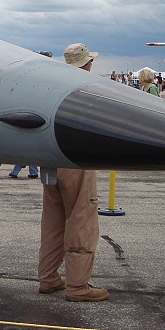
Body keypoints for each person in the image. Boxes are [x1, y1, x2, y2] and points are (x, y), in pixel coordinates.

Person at [38, 43, 107, 302]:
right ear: (86, 63)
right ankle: (78, 286)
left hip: (51, 159)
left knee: (53, 221)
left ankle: (48, 277)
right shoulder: (88, 88)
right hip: (76, 160)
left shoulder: (54, 86)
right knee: (81, 219)